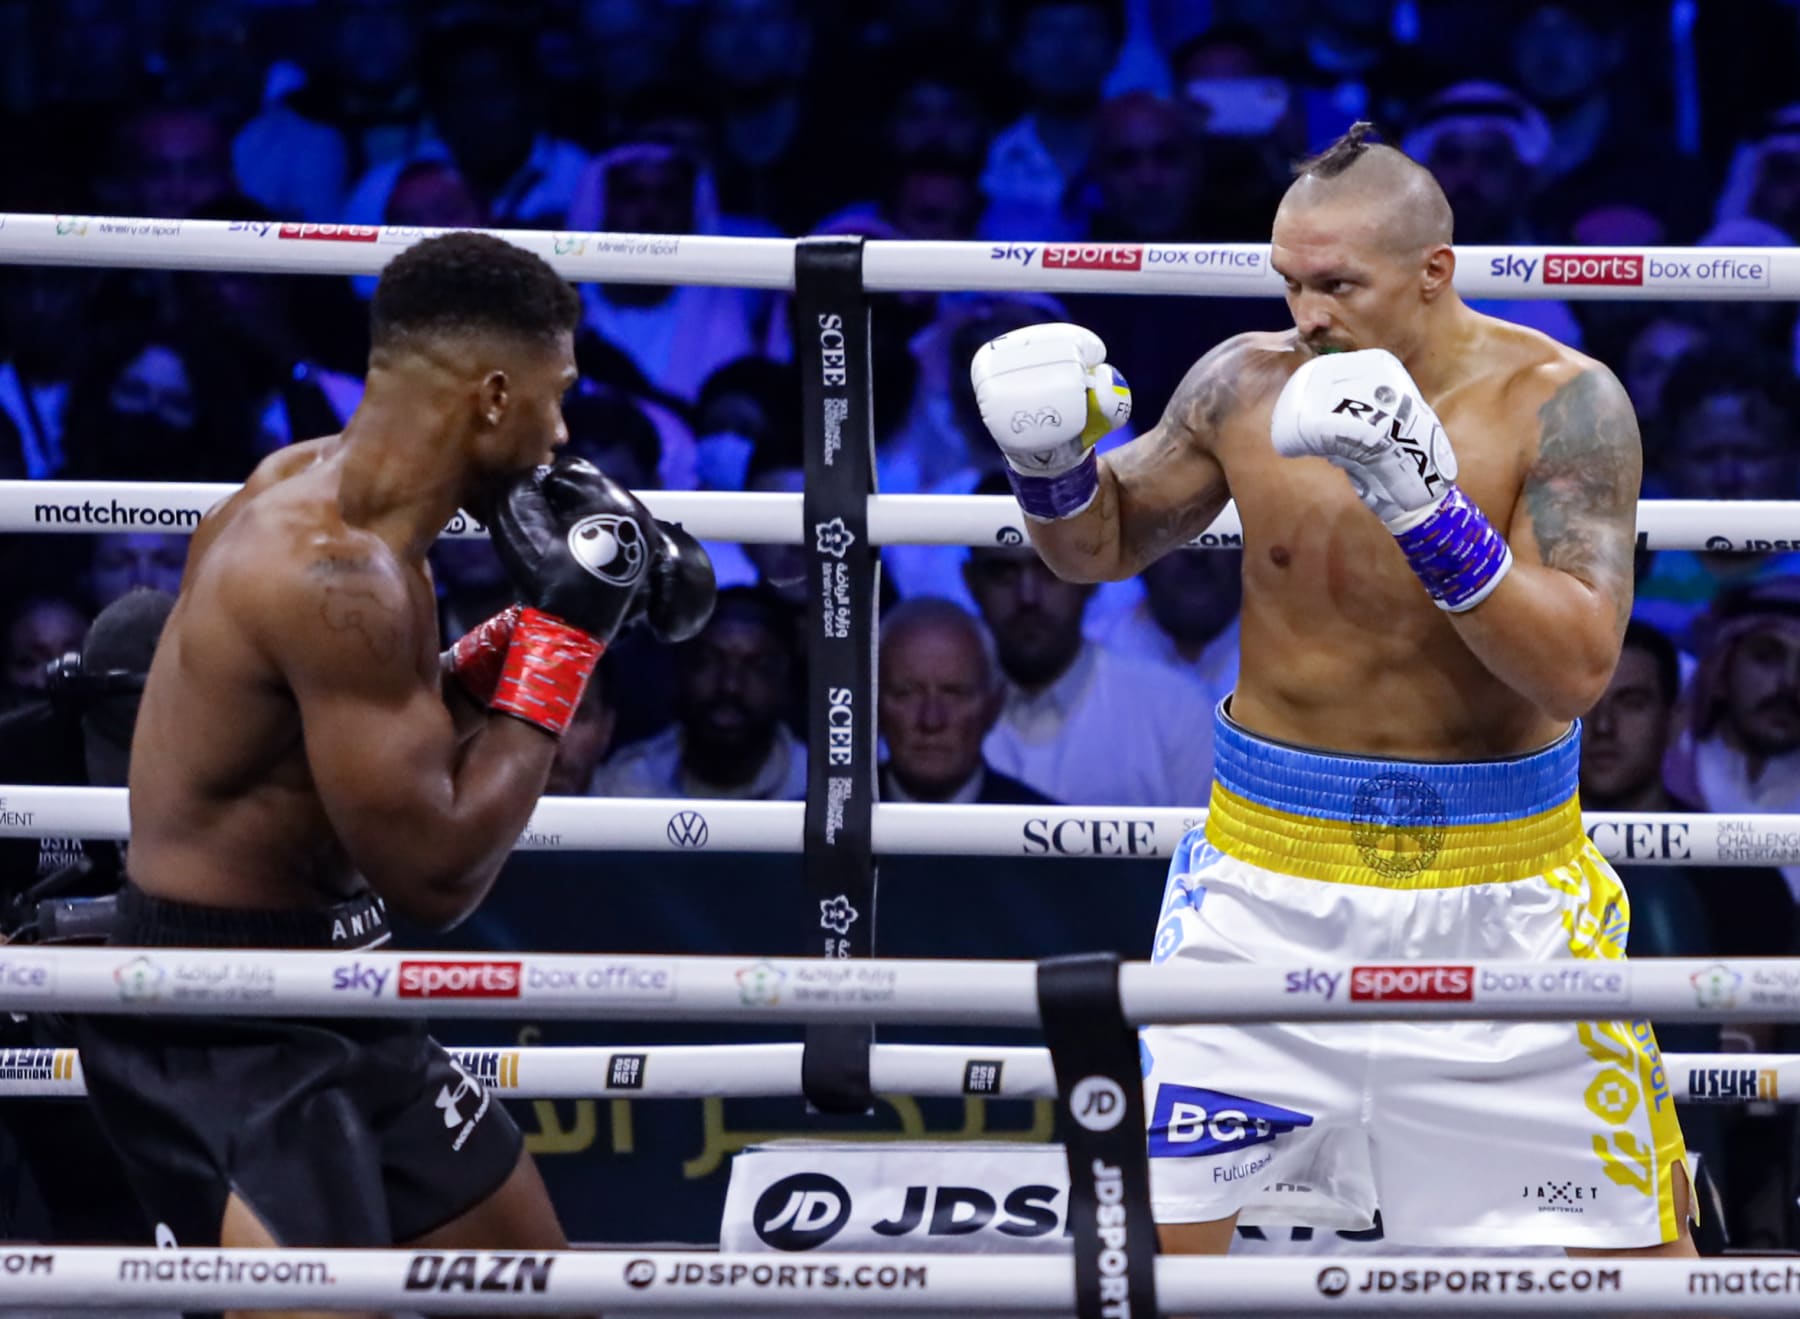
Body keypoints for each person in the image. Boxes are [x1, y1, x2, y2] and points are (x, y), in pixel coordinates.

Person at [969, 123, 1694, 1255]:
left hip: (1506, 900)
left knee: (1642, 1275)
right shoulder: (1244, 384)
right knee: (1151, 1259)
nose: (1307, 313)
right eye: (1290, 281)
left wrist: (1426, 510)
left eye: (1338, 284)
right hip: (1261, 888)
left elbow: (1580, 667)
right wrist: (1049, 466)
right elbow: (1097, 550)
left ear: (1433, 272)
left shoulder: (1563, 402)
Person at [68, 233, 715, 1289]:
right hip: (221, 1015)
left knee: (542, 1294)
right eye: (557, 401)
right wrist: (563, 643)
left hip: (341, 976)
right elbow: (437, 872)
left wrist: (523, 629)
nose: (563, 436)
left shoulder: (328, 495)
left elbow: (368, 733)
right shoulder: (336, 576)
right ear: (494, 397)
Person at [593, 586, 805, 801]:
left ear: (787, 683)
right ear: (679, 669)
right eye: (709, 660)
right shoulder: (622, 785)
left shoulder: (818, 787)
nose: (730, 685)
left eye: (757, 666)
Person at [878, 596, 1055, 805]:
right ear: (874, 704)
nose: (931, 720)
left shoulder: (1041, 827)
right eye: (907, 693)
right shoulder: (834, 822)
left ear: (994, 705)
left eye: (955, 693)